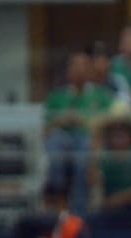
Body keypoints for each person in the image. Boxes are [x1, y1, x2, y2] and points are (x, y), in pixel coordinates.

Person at [43, 51, 113, 212]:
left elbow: (107, 126)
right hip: (62, 139)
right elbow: (46, 130)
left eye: (84, 66)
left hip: (89, 140)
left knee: (85, 151)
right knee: (55, 143)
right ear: (68, 70)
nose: (79, 69)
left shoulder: (102, 96)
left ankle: (79, 209)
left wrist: (83, 121)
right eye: (75, 65)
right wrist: (62, 120)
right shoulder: (56, 97)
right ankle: (58, 195)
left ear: (90, 70)